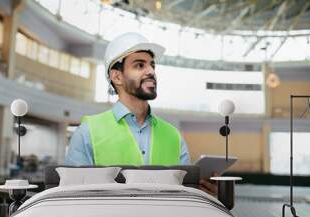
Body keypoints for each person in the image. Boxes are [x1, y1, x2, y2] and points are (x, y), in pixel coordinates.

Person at [65, 32, 217, 197]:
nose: (150, 71)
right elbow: (75, 198)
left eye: (152, 65)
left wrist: (199, 192)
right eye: (139, 65)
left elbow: (183, 197)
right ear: (117, 76)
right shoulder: (87, 133)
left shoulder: (173, 135)